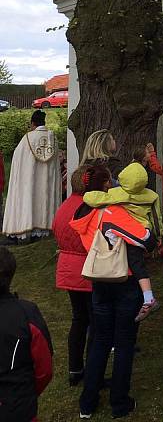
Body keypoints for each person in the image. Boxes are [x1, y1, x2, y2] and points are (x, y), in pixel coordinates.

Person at [71, 164, 157, 419]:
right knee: (124, 343)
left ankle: (87, 402)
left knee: (99, 340)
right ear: (107, 185)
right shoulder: (113, 212)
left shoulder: (84, 211)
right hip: (125, 283)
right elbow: (145, 239)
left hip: (99, 282)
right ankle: (119, 402)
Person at [83, 158, 163, 322]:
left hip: (127, 231)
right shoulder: (152, 195)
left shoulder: (116, 194)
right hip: (144, 229)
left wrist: (86, 194)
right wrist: (158, 235)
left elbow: (94, 198)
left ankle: (148, 299)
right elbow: (157, 217)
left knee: (133, 263)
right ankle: (148, 296)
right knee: (138, 264)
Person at [0, 245, 53, 422]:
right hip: (18, 405)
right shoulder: (26, 313)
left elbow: (43, 368)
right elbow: (44, 369)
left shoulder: (26, 314)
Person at [51, 169, 93, 387]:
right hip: (88, 268)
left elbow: (55, 230)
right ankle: (93, 371)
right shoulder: (88, 208)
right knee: (95, 322)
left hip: (68, 267)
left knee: (79, 319)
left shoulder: (64, 207)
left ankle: (75, 369)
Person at [2, 109, 61, 241]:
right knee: (43, 200)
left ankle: (25, 229)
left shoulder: (28, 138)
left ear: (33, 123)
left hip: (30, 181)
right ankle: (43, 229)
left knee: (29, 200)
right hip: (46, 183)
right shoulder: (53, 139)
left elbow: (18, 159)